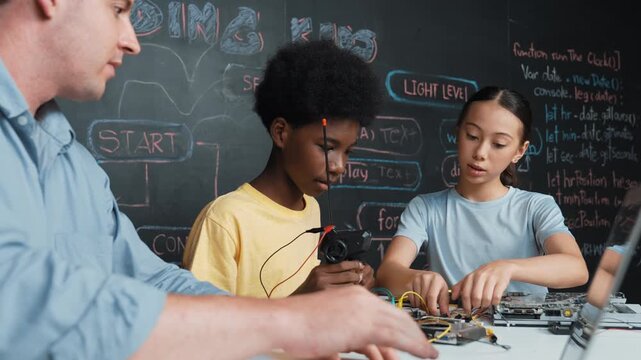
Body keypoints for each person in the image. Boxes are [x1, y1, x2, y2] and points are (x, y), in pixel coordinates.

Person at [0, 1, 439, 359]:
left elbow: (156, 280)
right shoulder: (226, 216)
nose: (132, 40)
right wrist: (293, 321)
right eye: (118, 9)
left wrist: (302, 326)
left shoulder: (76, 166)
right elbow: (19, 299)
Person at [182, 41, 378, 298]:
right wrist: (300, 299)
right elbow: (203, 327)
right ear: (281, 133)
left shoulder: (311, 208)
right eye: (327, 147)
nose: (339, 166)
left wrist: (345, 281)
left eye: (347, 151)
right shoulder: (225, 220)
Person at [377, 86, 589, 315]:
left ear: (519, 151)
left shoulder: (536, 206)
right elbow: (387, 272)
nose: (480, 152)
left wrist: (507, 267)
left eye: (498, 144)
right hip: (454, 331)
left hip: (529, 335)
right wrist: (417, 278)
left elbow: (576, 268)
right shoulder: (426, 208)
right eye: (472, 136)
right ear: (458, 133)